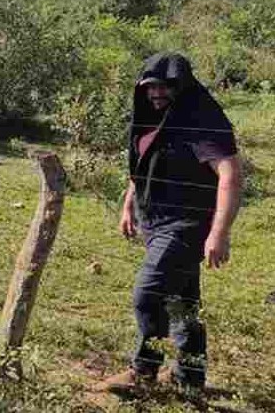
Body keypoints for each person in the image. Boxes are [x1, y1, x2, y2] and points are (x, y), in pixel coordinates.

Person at [96, 53, 241, 397]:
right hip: (155, 222)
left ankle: (142, 371)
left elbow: (230, 173)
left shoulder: (199, 119)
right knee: (182, 303)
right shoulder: (153, 117)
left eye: (165, 86)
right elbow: (144, 164)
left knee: (148, 294)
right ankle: (189, 379)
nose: (157, 93)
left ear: (182, 85)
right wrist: (129, 204)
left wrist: (219, 232)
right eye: (151, 87)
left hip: (186, 225)